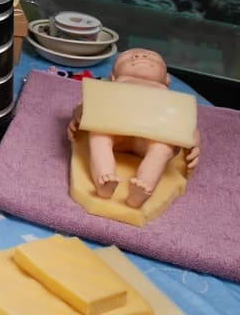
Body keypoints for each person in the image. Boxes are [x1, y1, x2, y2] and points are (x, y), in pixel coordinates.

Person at [68, 47, 201, 209]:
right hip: (116, 133)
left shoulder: (171, 97)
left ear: (167, 79)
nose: (140, 55)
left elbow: (185, 120)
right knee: (99, 136)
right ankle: (104, 179)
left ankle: (143, 188)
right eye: (128, 57)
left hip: (153, 137)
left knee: (162, 148)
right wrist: (79, 114)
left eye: (153, 58)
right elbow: (87, 104)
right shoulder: (108, 87)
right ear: (113, 77)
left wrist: (193, 139)